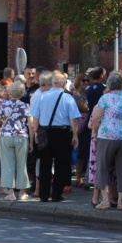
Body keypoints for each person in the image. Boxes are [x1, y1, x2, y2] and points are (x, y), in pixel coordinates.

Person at [31, 73, 81, 202]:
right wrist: (75, 135)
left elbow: (35, 117)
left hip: (44, 131)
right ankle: (56, 194)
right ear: (64, 84)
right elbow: (73, 119)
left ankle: (43, 194)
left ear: (52, 83)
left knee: (45, 164)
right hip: (62, 132)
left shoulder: (42, 96)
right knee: (60, 164)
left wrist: (36, 132)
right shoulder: (68, 98)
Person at [92, 72, 122, 210]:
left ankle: (105, 200)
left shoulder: (105, 98)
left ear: (109, 85)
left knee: (102, 168)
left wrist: (94, 131)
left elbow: (96, 118)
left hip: (106, 136)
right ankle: (121, 201)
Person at [0, 82, 32, 201]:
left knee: (7, 165)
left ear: (10, 92)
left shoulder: (3, 105)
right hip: (21, 136)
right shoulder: (25, 106)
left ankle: (11, 193)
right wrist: (31, 141)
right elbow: (30, 125)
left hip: (6, 136)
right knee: (22, 165)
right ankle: (22, 193)